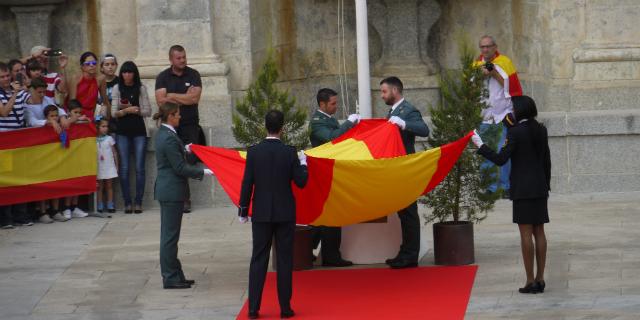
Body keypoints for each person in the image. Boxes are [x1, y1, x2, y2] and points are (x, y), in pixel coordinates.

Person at [472, 95, 550, 294]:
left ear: (520, 111)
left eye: (514, 108)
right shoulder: (541, 129)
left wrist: (481, 146)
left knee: (525, 234)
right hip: (540, 186)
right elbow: (546, 161)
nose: (511, 111)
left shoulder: (515, 132)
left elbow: (500, 159)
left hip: (523, 189)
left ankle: (530, 281)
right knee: (539, 231)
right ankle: (541, 278)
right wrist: (545, 185)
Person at [239, 109, 309, 319]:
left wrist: (243, 209)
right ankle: (285, 308)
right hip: (285, 212)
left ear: (265, 126)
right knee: (285, 260)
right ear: (283, 127)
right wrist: (303, 163)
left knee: (258, 259)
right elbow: (301, 182)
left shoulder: (254, 151)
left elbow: (247, 183)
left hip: (261, 212)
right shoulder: (290, 152)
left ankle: (253, 308)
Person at [153, 102, 213, 289]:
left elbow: (176, 157)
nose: (180, 117)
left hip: (169, 190)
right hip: (171, 191)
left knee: (170, 236)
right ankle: (170, 277)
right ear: (170, 116)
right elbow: (179, 167)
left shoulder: (166, 133)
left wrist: (186, 149)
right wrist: (203, 172)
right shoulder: (169, 137)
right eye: (177, 114)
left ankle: (176, 274)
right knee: (169, 237)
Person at [379, 76, 430, 269]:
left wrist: (404, 123)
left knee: (409, 213)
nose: (382, 95)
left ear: (395, 90)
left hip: (406, 168)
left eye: (384, 91)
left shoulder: (407, 110)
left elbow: (424, 130)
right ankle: (404, 251)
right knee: (403, 213)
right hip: (396, 168)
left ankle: (410, 256)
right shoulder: (392, 111)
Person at [309, 88, 359, 267]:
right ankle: (328, 255)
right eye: (333, 103)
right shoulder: (317, 122)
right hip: (323, 174)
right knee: (331, 215)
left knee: (325, 216)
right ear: (322, 104)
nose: (335, 106)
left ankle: (308, 250)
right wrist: (348, 123)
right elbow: (332, 138)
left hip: (330, 172)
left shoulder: (327, 119)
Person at [473, 35, 523, 198]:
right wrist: (481, 75)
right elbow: (470, 88)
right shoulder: (475, 64)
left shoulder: (505, 62)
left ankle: (506, 186)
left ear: (495, 46)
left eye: (488, 46)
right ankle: (490, 187)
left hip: (503, 116)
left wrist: (494, 73)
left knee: (505, 152)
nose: (485, 49)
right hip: (485, 117)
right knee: (486, 151)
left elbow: (512, 87)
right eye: (483, 47)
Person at [155, 45, 203, 213]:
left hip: (190, 125)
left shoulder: (194, 74)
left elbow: (194, 98)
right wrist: (184, 96)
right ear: (171, 59)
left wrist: (172, 95)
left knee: (188, 160)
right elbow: (161, 101)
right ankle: (183, 199)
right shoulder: (162, 77)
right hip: (171, 126)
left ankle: (183, 197)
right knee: (176, 161)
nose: (183, 60)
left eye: (184, 57)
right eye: (179, 58)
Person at [111, 61, 152, 214]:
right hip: (122, 132)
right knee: (124, 167)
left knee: (140, 168)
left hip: (139, 131)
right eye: (124, 72)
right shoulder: (117, 88)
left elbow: (148, 111)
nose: (127, 75)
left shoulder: (141, 88)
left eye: (130, 72)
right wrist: (128, 110)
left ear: (135, 74)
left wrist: (136, 110)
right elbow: (113, 112)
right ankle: (127, 202)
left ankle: (139, 201)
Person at [0, 62, 33, 228]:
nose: (6, 79)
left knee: (21, 179)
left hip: (19, 142)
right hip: (4, 143)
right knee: (6, 181)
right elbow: (4, 112)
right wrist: (14, 93)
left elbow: (34, 100)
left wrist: (28, 83)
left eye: (7, 76)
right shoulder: (10, 93)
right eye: (2, 77)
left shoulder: (20, 92)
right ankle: (5, 218)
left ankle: (21, 215)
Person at [67, 51, 111, 122]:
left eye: (94, 63)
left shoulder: (100, 79)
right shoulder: (75, 79)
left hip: (91, 117)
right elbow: (71, 104)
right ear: (82, 66)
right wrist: (77, 118)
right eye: (88, 64)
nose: (91, 65)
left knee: (101, 121)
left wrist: (108, 119)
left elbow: (105, 101)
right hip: (75, 116)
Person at [95, 118, 118, 216]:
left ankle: (110, 204)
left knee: (109, 185)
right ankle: (100, 204)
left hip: (109, 165)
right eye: (103, 126)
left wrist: (117, 165)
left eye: (107, 127)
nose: (105, 129)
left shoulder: (109, 139)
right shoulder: (93, 140)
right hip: (99, 165)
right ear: (97, 127)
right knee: (100, 186)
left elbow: (115, 152)